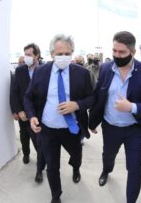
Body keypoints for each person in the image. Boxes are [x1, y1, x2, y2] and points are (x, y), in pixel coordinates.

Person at [89, 31, 141, 203]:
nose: (116, 55)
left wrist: (131, 107)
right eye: (114, 51)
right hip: (110, 127)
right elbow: (99, 96)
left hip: (135, 129)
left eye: (122, 52)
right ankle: (106, 170)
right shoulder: (106, 69)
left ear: (133, 53)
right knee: (108, 156)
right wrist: (92, 122)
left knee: (134, 168)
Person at [24, 34, 94, 203]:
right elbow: (28, 97)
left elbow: (92, 98)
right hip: (47, 129)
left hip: (72, 128)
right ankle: (56, 196)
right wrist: (32, 117)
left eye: (67, 53)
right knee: (52, 167)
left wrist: (76, 105)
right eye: (59, 54)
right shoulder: (41, 72)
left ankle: (76, 168)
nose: (63, 57)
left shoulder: (82, 73)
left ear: (72, 53)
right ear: (52, 54)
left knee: (76, 155)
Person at [9, 43, 46, 183]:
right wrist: (17, 110)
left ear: (37, 55)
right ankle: (26, 154)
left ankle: (40, 169)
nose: (26, 57)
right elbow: (14, 92)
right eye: (25, 54)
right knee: (24, 136)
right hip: (23, 114)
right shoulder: (19, 71)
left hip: (40, 115)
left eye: (29, 55)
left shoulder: (45, 70)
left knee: (39, 142)